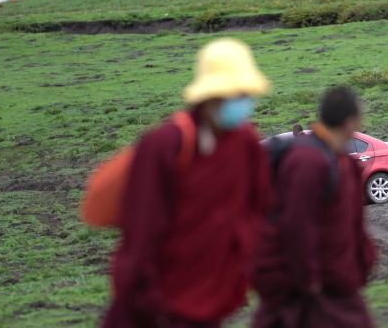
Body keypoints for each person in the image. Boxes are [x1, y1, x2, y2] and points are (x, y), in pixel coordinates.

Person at [102, 38, 272, 328]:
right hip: (155, 306)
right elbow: (141, 231)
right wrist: (147, 301)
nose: (244, 102)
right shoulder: (164, 145)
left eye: (247, 93)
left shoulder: (245, 144)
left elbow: (258, 209)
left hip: (211, 298)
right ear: (209, 96)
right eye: (236, 94)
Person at [252, 86, 377, 328]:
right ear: (351, 121)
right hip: (305, 287)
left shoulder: (343, 162)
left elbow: (352, 224)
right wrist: (308, 279)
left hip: (337, 284)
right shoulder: (307, 161)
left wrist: (364, 261)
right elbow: (296, 224)